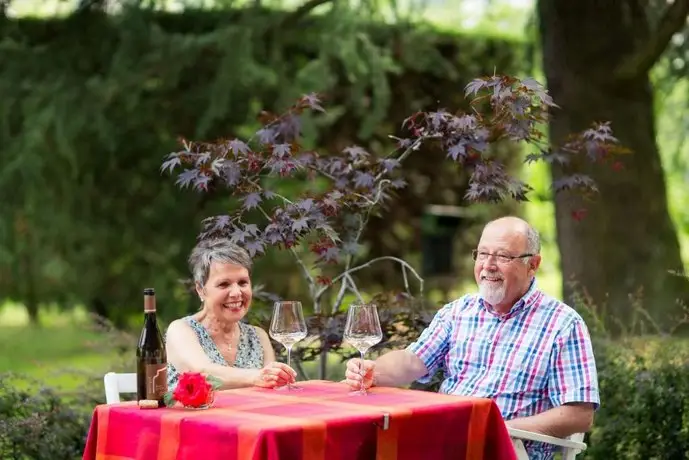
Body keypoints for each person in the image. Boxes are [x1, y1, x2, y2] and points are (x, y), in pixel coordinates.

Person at [344, 216, 599, 459]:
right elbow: (413, 361)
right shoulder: (458, 311)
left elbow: (578, 415)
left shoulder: (563, 324)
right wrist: (372, 371)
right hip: (443, 442)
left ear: (532, 264)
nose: (488, 265)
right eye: (483, 254)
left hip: (508, 451)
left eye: (502, 256)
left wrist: (498, 429)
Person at [166, 237, 296, 390]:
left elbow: (271, 389)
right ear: (200, 289)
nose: (236, 292)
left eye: (242, 283)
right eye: (224, 284)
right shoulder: (180, 330)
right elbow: (201, 373)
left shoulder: (258, 337)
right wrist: (256, 376)